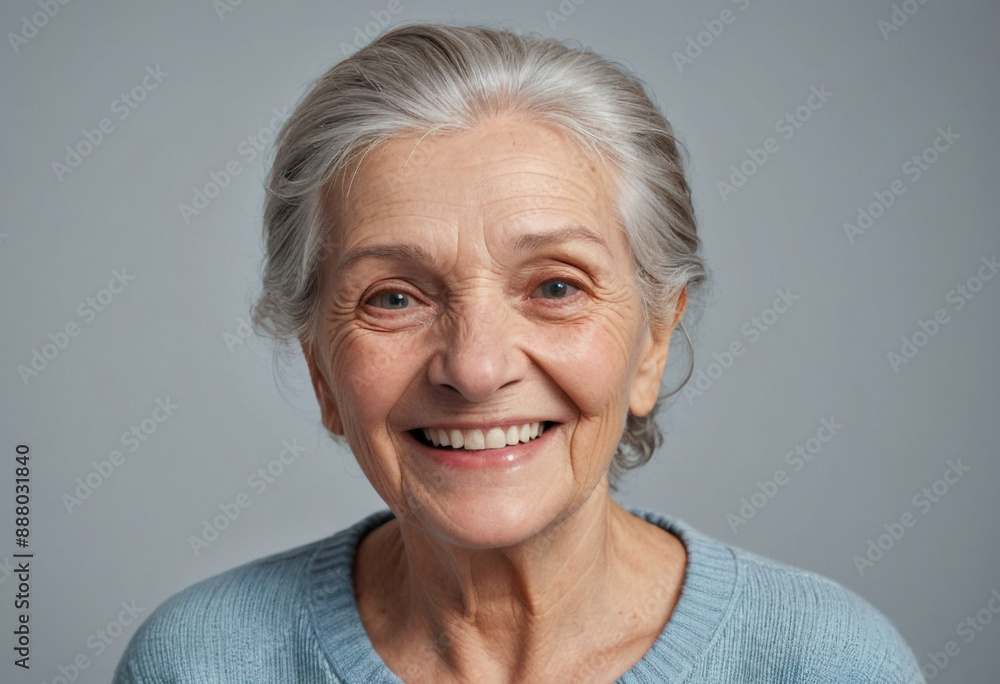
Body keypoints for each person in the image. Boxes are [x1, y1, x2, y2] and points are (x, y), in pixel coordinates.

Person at [113, 23, 923, 683]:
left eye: (556, 287)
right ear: (321, 367)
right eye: (393, 298)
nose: (475, 369)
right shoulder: (197, 664)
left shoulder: (828, 664)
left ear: (653, 341)